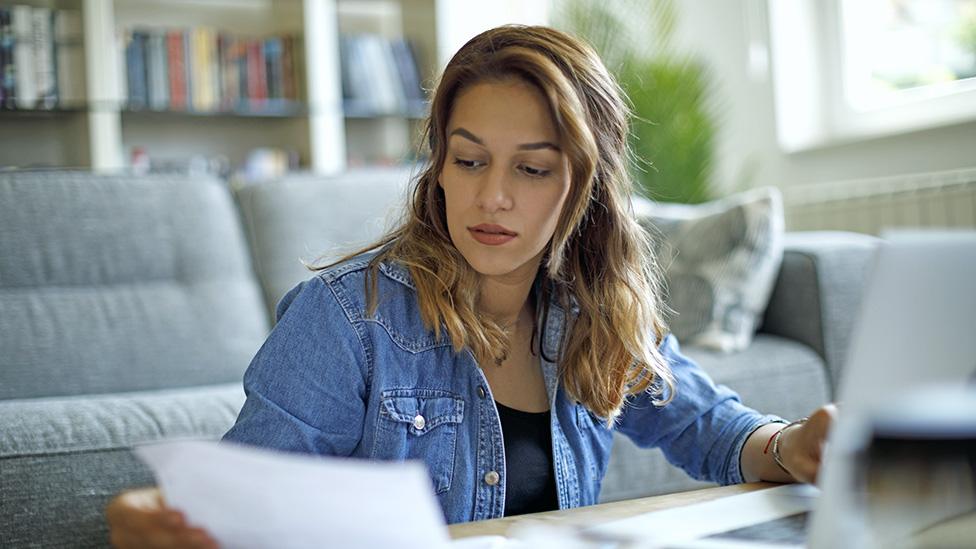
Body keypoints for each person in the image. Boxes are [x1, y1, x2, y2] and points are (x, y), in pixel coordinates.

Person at [106, 25, 836, 548]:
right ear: (440, 169)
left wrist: (792, 443)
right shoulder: (346, 317)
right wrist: (157, 517)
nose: (491, 198)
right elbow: (241, 501)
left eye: (532, 167)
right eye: (469, 161)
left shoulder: (589, 314)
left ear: (586, 187)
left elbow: (708, 426)